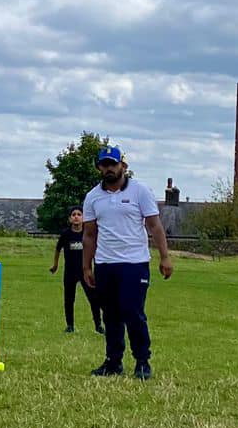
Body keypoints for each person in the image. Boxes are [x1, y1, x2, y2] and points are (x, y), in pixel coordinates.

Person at [82, 146, 172, 379]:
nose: (109, 169)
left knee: (132, 312)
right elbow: (89, 234)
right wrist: (87, 266)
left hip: (134, 263)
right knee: (110, 315)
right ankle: (113, 362)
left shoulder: (140, 191)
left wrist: (164, 256)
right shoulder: (93, 197)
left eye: (113, 164)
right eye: (104, 165)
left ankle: (142, 361)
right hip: (105, 264)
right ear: (99, 168)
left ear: (123, 166)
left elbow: (154, 226)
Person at [50, 206, 103, 338]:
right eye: (73, 214)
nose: (76, 217)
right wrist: (55, 265)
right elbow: (58, 249)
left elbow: (95, 250)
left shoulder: (87, 233)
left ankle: (98, 325)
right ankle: (70, 326)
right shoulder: (66, 234)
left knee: (93, 298)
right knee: (69, 299)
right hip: (70, 272)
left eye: (79, 214)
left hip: (85, 271)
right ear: (70, 218)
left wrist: (96, 267)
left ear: (83, 218)